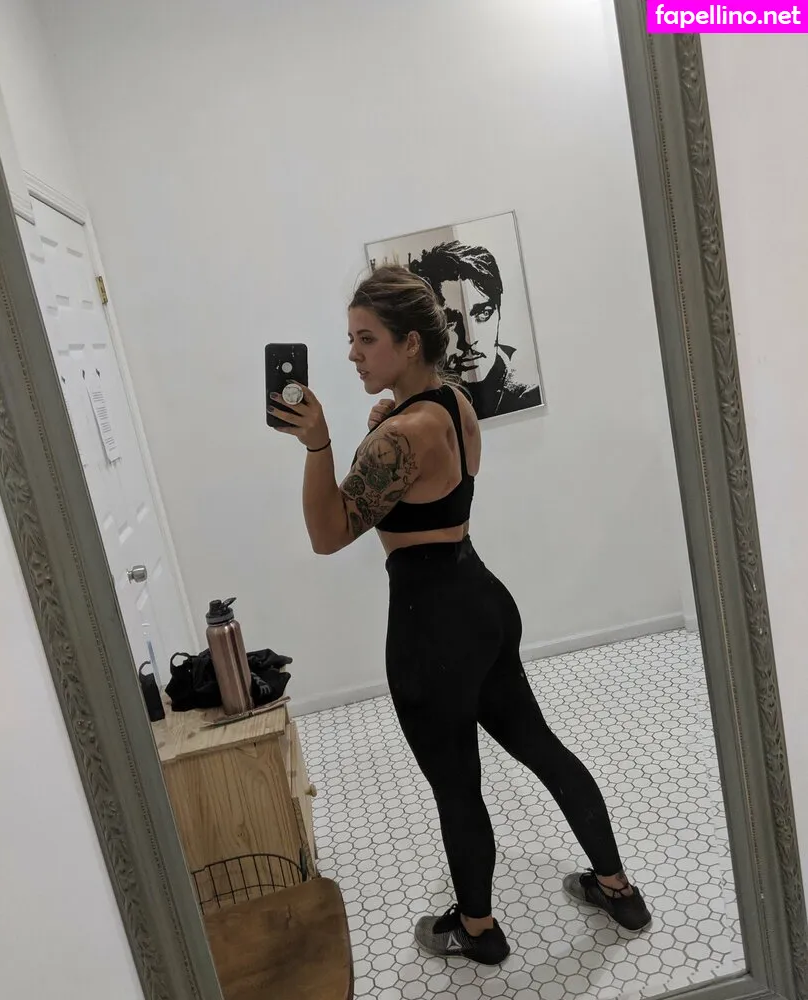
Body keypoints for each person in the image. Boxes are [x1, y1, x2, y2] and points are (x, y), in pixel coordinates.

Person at [267, 265, 650, 966]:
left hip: (430, 626)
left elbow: (327, 533)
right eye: (350, 339)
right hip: (482, 601)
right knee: (543, 748)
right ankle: (617, 888)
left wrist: (320, 445)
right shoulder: (451, 403)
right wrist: (382, 427)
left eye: (366, 339)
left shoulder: (397, 436)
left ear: (409, 342)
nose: (352, 354)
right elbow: (431, 478)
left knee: (457, 789)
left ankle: (477, 930)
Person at [409, 240, 543, 419]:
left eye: (484, 314)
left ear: (499, 313)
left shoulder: (528, 391)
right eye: (450, 321)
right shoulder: (417, 398)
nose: (470, 340)